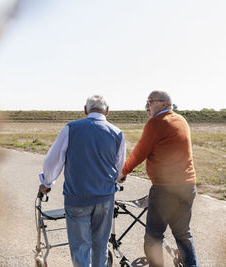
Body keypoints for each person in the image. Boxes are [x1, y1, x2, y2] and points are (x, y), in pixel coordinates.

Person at [38, 95, 126, 267]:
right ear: (107, 111)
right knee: (101, 245)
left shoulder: (71, 128)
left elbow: (53, 160)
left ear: (85, 110)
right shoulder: (117, 133)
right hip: (105, 198)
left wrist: (47, 183)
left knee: (80, 247)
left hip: (77, 198)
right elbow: (120, 168)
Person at [118, 90, 199, 267]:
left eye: (150, 101)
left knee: (154, 236)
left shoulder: (156, 123)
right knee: (183, 234)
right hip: (188, 185)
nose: (146, 105)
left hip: (165, 188)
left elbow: (140, 151)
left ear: (164, 103)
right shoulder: (181, 120)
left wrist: (123, 172)